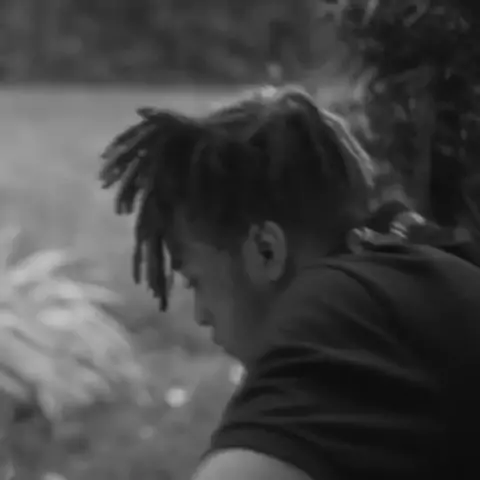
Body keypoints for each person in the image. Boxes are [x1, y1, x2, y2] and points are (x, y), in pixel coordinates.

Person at [100, 85, 480, 480]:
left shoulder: (348, 309)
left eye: (196, 282)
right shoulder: (413, 271)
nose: (200, 315)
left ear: (267, 250)